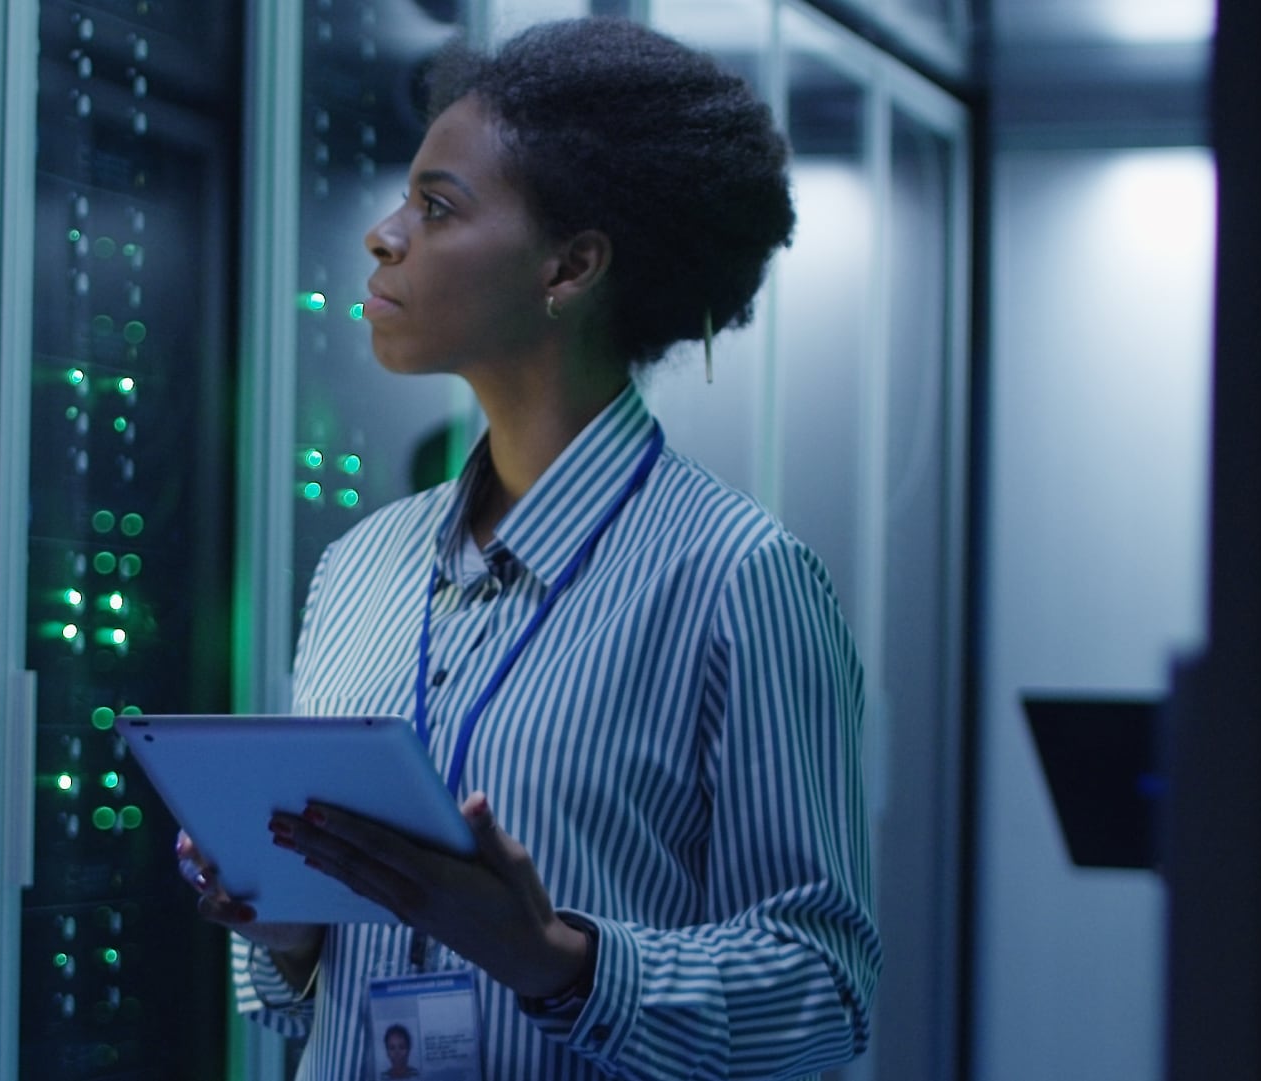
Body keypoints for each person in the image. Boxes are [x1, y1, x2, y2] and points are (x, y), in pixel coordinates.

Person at [175, 16, 880, 1079]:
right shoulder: (360, 568)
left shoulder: (739, 579)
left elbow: (823, 997)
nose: (383, 234)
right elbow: (302, 1001)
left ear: (571, 264)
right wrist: (285, 929)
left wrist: (553, 959)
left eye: (436, 205)